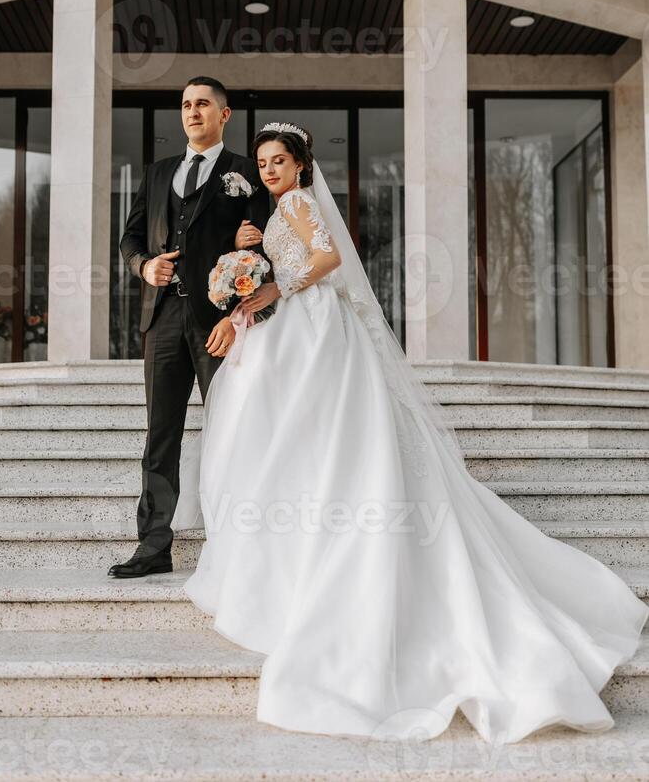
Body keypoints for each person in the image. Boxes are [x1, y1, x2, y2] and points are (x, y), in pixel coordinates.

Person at [174, 121, 649, 744]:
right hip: (298, 327)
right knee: (298, 439)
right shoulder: (280, 208)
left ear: (298, 165)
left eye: (278, 161)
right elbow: (297, 257)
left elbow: (329, 259)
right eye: (262, 162)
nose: (268, 170)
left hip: (312, 331)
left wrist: (266, 291)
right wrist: (250, 262)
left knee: (302, 437)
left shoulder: (296, 201)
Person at [108, 77, 270, 579]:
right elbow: (130, 237)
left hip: (219, 321)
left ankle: (238, 546)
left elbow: (265, 250)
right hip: (161, 320)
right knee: (160, 435)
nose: (192, 112)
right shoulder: (157, 173)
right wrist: (143, 267)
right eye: (186, 105)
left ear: (224, 115)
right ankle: (153, 546)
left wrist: (236, 309)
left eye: (203, 104)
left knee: (232, 432)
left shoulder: (247, 171)